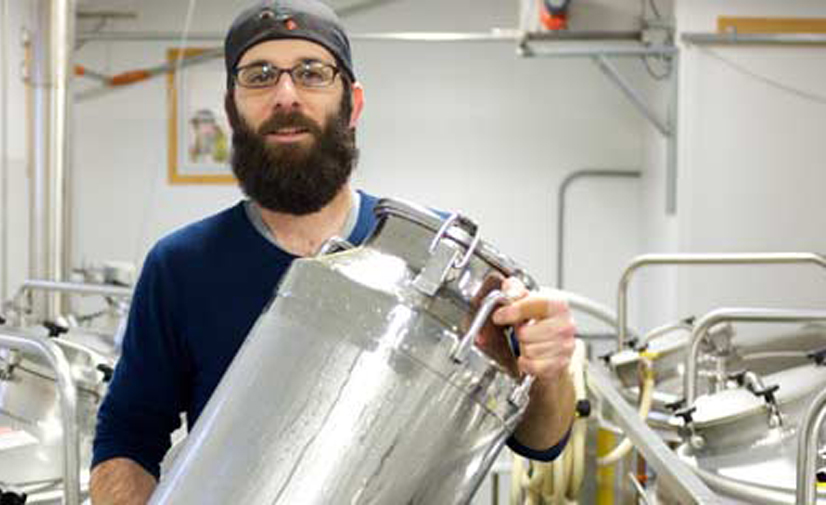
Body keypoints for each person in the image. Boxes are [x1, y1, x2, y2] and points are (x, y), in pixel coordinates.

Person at [90, 1, 576, 503]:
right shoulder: (181, 266)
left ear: (354, 103)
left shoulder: (435, 259)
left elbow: (541, 443)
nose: (285, 95)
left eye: (311, 73)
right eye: (259, 76)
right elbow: (127, 437)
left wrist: (551, 372)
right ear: (232, 108)